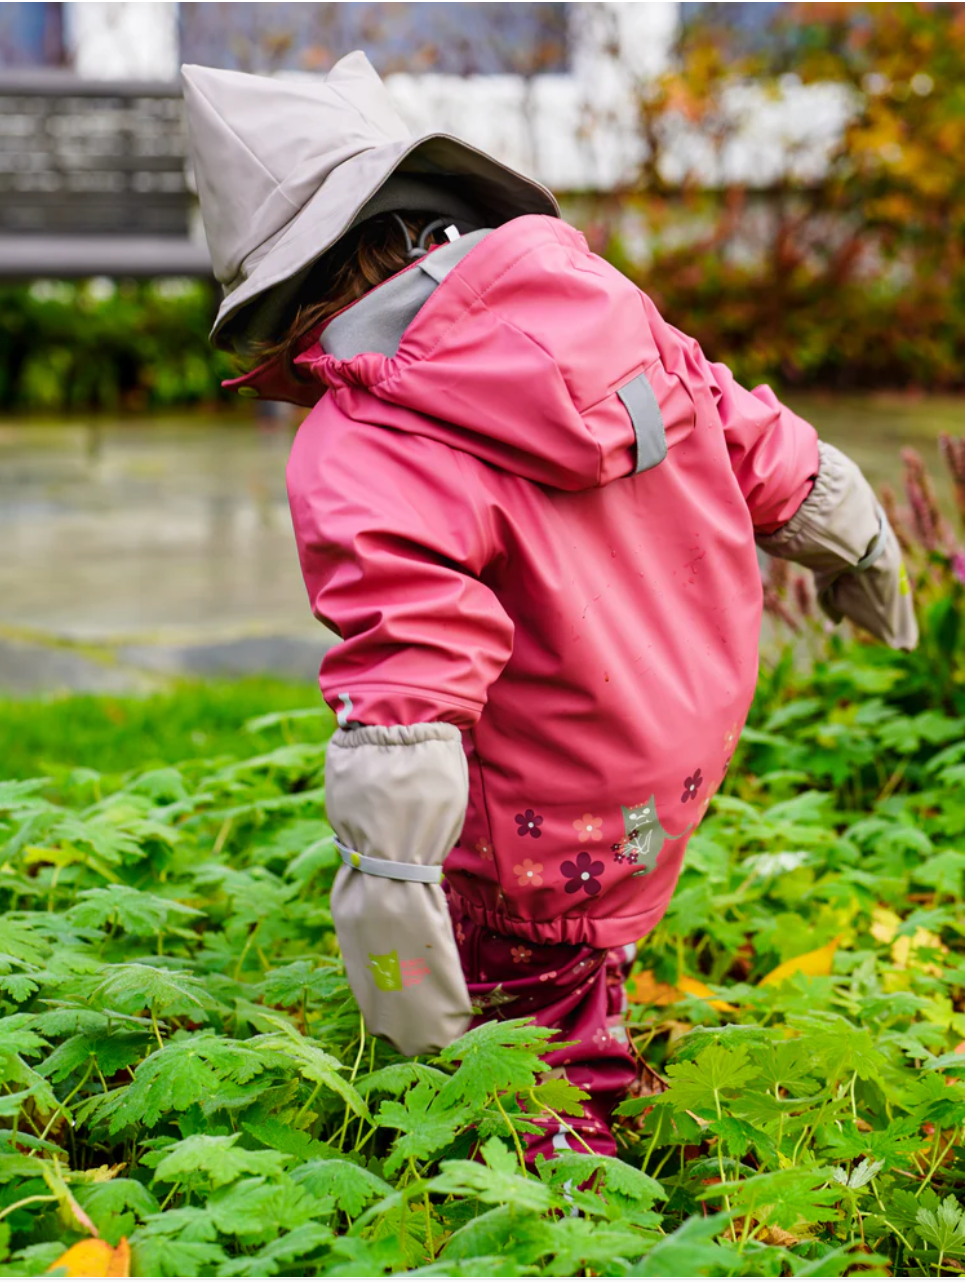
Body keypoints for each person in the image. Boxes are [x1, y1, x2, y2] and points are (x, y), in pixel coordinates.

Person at [182, 52, 917, 1160]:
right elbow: (735, 420)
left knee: (523, 1043)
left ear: (288, 295)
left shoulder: (367, 437)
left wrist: (391, 891)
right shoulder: (595, 300)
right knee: (589, 931)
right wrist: (851, 526)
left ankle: (574, 1186)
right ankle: (595, 1004)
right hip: (676, 748)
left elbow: (413, 669)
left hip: (538, 825)